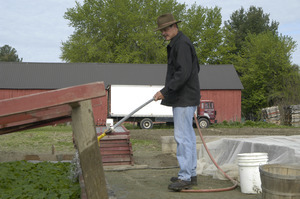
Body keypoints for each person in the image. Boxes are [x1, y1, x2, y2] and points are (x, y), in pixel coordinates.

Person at [153, 13, 201, 191]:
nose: (163, 33)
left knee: (182, 138)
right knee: (188, 137)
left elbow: (183, 73)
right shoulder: (180, 43)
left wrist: (165, 91)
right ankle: (191, 174)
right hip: (186, 97)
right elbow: (195, 68)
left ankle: (185, 177)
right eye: (161, 30)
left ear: (174, 26)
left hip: (184, 98)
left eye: (165, 29)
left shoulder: (181, 44)